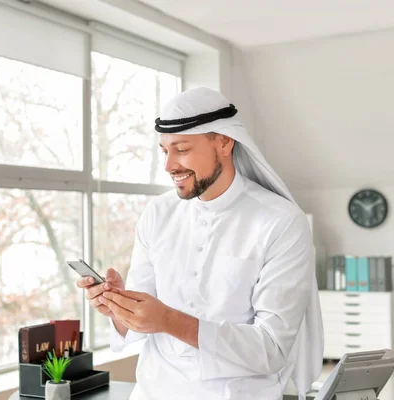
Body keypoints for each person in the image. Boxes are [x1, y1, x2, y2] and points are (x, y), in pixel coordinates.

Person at [76, 87, 324, 400]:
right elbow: (142, 322)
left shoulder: (281, 221)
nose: (169, 166)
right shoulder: (157, 213)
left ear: (224, 141)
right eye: (164, 151)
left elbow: (271, 348)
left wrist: (168, 319)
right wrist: (118, 310)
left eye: (181, 149)